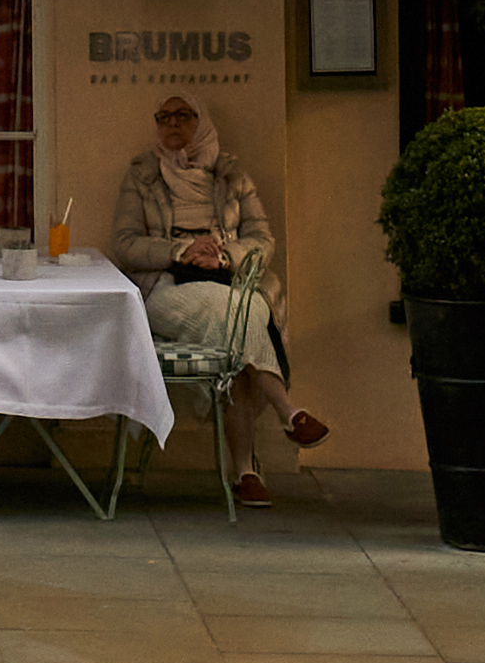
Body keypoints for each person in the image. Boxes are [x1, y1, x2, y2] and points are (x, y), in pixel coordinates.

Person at [105, 93, 327, 508]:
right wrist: (180, 251)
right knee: (236, 321)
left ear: (201, 122)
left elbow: (262, 239)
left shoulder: (231, 175)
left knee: (242, 318)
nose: (172, 124)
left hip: (230, 281)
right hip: (165, 286)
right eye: (164, 117)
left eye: (183, 116)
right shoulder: (142, 174)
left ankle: (245, 472)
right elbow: (125, 243)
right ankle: (286, 413)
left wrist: (224, 256)